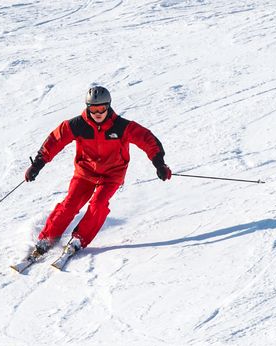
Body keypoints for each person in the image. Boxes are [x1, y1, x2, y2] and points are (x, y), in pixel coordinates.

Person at [25, 86, 171, 256]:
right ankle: (47, 238)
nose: (98, 113)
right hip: (85, 172)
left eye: (102, 108)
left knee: (98, 204)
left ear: (108, 106)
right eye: (93, 109)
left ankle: (80, 238)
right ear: (88, 107)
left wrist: (159, 164)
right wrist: (37, 165)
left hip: (112, 174)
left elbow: (147, 140)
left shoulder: (121, 126)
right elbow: (54, 141)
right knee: (70, 204)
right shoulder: (77, 125)